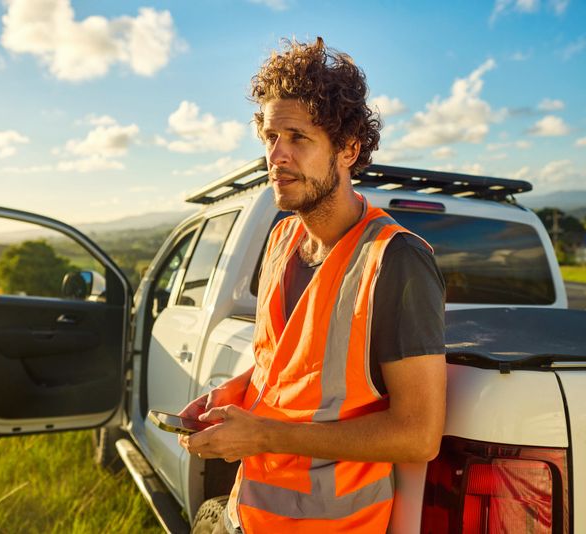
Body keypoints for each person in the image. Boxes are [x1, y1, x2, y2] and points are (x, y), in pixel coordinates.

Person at [179, 37, 446, 533]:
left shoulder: (397, 260)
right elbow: (281, 373)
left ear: (348, 149)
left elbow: (418, 436)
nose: (276, 156)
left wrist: (263, 436)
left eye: (297, 138)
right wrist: (229, 396)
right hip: (248, 515)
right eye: (268, 137)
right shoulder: (282, 238)